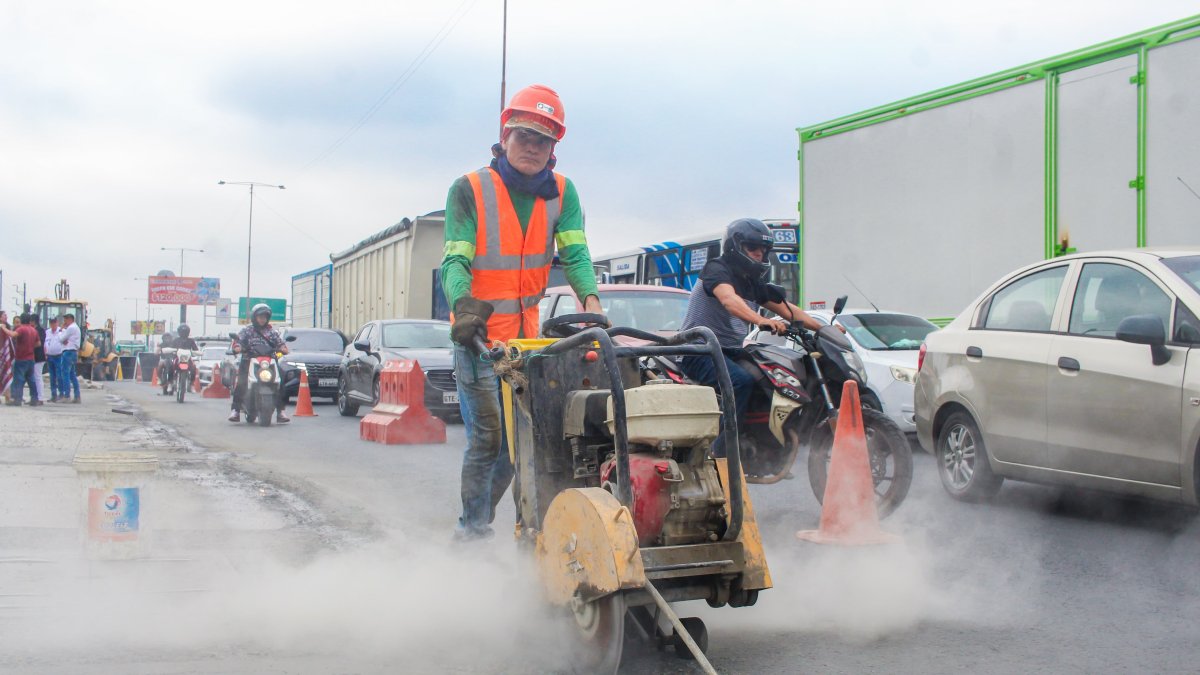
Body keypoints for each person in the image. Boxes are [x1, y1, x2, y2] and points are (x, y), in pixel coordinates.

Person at [440, 83, 604, 541]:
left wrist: (590, 302)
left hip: (527, 342)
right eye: (524, 136)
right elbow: (455, 258)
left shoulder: (563, 193)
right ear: (505, 135)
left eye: (542, 140)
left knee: (520, 447)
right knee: (488, 440)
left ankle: (525, 531)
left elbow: (574, 254)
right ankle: (471, 533)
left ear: (554, 147)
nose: (532, 147)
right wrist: (462, 307)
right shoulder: (469, 189)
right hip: (477, 336)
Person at [678, 218, 830, 454]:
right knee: (739, 382)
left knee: (774, 378)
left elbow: (789, 309)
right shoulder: (717, 269)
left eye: (763, 250)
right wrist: (760, 320)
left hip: (729, 350)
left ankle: (765, 446)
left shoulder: (751, 282)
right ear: (734, 246)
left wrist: (824, 329)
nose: (759, 254)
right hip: (698, 349)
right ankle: (720, 455)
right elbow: (729, 301)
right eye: (753, 248)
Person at [228, 304, 290, 423]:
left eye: (265, 317)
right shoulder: (247, 330)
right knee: (241, 382)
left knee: (281, 382)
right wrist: (237, 347)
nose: (262, 319)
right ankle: (235, 410)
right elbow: (239, 341)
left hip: (269, 361)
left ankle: (281, 411)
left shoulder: (272, 332)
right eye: (260, 317)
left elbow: (280, 343)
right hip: (250, 360)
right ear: (254, 317)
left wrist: (283, 348)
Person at [2, 314, 42, 406]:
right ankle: (34, 399)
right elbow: (39, 343)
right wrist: (30, 347)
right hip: (31, 358)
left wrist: (3, 328)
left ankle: (17, 399)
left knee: (18, 379)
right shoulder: (33, 330)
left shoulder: (21, 329)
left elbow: (12, 334)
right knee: (31, 379)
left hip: (21, 358)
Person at [58, 313, 82, 403]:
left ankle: (67, 395)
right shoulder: (76, 328)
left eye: (65, 320)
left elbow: (60, 339)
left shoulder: (71, 328)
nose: (64, 322)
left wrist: (61, 330)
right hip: (73, 352)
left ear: (70, 319)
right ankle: (77, 395)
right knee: (72, 375)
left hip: (68, 352)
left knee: (65, 374)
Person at [44, 316, 64, 402]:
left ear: (57, 323)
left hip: (59, 356)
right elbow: (45, 343)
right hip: (50, 356)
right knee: (52, 377)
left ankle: (61, 393)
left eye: (54, 322)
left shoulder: (61, 331)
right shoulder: (47, 332)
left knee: (59, 376)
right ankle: (53, 395)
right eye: (51, 323)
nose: (53, 324)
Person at [29, 315, 47, 403]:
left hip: (38, 357)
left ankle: (40, 398)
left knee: (38, 377)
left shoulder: (39, 330)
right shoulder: (38, 330)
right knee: (34, 377)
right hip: (34, 356)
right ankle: (35, 397)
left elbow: (39, 343)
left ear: (33, 321)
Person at [0, 311, 12, 404]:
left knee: (6, 374)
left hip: (5, 356)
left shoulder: (6, 328)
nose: (6, 317)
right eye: (4, 315)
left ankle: (8, 397)